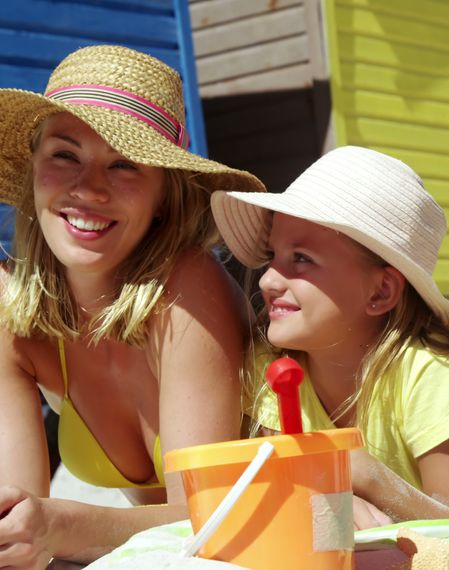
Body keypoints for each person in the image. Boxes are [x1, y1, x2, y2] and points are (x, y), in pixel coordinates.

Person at [0, 45, 265, 566]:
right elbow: (15, 521)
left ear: (164, 194)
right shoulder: (12, 317)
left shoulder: (187, 287)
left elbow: (211, 520)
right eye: (65, 154)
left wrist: (62, 524)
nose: (89, 189)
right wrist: (31, 531)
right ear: (34, 169)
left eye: (124, 164)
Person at [211, 145, 449, 527]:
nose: (267, 280)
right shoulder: (273, 369)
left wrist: (364, 475)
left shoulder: (429, 375)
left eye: (301, 258)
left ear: (380, 292)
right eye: (272, 256)